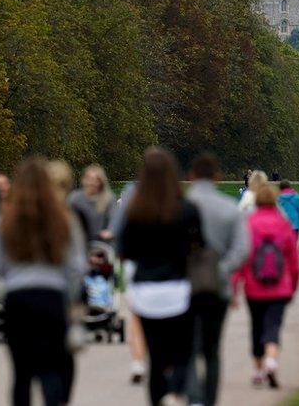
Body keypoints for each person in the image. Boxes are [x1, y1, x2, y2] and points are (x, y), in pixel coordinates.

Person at [0, 157, 85, 406]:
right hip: (52, 298)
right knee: (51, 369)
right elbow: (77, 268)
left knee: (22, 374)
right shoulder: (64, 220)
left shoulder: (3, 222)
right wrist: (70, 298)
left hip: (18, 301)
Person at [120, 148, 203, 405]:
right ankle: (176, 388)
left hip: (146, 290)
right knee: (183, 351)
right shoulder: (186, 209)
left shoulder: (135, 212)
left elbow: (126, 251)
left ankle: (161, 397)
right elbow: (199, 248)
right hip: (178, 288)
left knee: (156, 357)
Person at [183, 153, 250, 406]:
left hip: (186, 285)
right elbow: (242, 248)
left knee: (188, 346)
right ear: (217, 177)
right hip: (218, 287)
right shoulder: (229, 208)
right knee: (211, 350)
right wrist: (221, 269)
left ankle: (194, 398)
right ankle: (209, 400)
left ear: (190, 176)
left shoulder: (180, 206)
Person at [232, 184, 299, 390]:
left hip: (254, 286)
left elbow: (241, 259)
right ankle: (271, 361)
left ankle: (259, 370)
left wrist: (234, 287)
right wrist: (293, 286)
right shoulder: (283, 224)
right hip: (280, 287)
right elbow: (294, 263)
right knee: (273, 326)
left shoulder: (248, 224)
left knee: (257, 326)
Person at [107, 182, 149, 385]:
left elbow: (117, 235)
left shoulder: (128, 210)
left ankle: (138, 361)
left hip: (135, 265)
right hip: (156, 268)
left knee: (136, 314)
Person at [69, 164, 118, 242]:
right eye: (88, 178)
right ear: (83, 180)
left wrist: (109, 232)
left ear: (101, 182)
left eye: (95, 179)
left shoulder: (109, 199)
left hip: (100, 241)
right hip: (78, 241)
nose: (91, 182)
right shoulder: (75, 198)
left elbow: (115, 220)